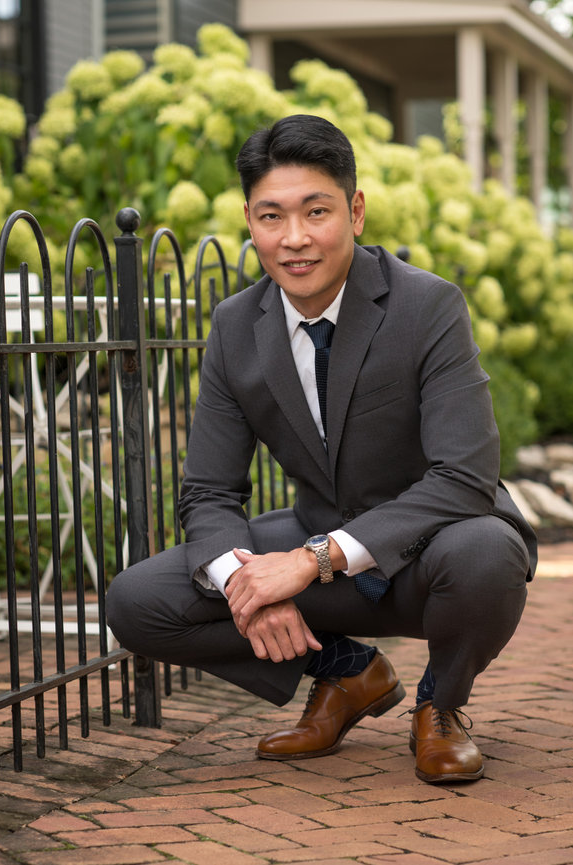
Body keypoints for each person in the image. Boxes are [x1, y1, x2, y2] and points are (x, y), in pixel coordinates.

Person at [106, 114, 537, 784]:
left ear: (355, 211)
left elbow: (464, 474)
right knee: (137, 599)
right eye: (272, 216)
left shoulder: (427, 305)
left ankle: (439, 706)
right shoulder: (234, 327)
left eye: (316, 211)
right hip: (322, 554)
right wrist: (246, 584)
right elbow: (209, 492)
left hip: (433, 550)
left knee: (486, 550)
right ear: (249, 220)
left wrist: (308, 563)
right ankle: (347, 672)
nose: (295, 238)